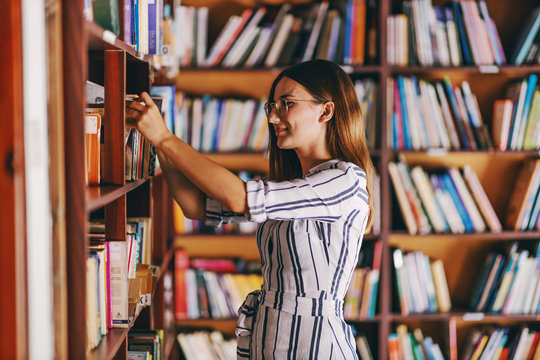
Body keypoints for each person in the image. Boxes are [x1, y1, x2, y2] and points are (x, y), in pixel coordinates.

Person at [128, 59, 375, 359]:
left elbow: (240, 199)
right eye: (272, 105)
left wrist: (165, 137)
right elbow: (195, 207)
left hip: (315, 347)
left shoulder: (345, 180)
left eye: (286, 103)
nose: (273, 117)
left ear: (326, 110)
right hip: (266, 341)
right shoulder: (292, 186)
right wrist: (159, 143)